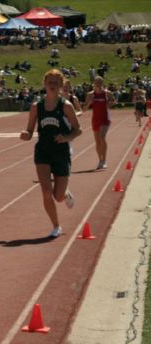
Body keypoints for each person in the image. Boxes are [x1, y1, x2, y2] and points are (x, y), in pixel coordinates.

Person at [20, 69, 81, 239]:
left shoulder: (66, 106)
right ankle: (56, 226)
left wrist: (66, 137)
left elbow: (78, 130)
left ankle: (65, 193)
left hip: (61, 153)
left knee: (58, 197)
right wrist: (25, 135)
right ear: (45, 84)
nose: (53, 85)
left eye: (56, 83)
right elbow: (30, 130)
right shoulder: (36, 107)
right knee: (46, 191)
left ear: (61, 85)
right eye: (50, 82)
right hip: (43, 152)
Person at [83, 76, 116, 170]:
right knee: (97, 142)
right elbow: (84, 110)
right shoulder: (90, 94)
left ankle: (104, 160)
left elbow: (114, 101)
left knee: (102, 137)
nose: (97, 84)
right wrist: (89, 102)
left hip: (105, 118)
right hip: (95, 119)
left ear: (102, 83)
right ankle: (100, 160)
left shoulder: (107, 93)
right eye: (96, 82)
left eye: (99, 82)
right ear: (94, 83)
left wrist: (109, 104)